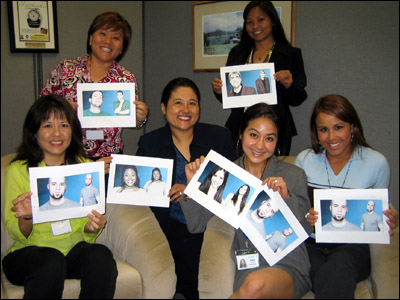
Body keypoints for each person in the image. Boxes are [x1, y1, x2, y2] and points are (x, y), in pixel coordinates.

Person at [182, 102, 312, 298]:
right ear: (241, 134)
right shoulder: (225, 174)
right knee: (252, 284)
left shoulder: (293, 175)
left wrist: (286, 199)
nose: (260, 145)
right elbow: (196, 225)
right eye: (253, 135)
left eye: (269, 138)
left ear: (277, 142)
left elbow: (306, 230)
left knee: (254, 286)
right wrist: (192, 188)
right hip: (248, 265)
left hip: (287, 265)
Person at [2, 95, 117, 298]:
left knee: (102, 256)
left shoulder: (84, 167)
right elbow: (17, 233)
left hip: (72, 252)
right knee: (51, 260)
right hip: (29, 254)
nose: (57, 133)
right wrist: (27, 216)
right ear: (34, 132)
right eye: (47, 126)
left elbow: (87, 230)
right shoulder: (18, 170)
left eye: (64, 125)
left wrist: (91, 228)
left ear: (72, 130)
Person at [136, 77, 237, 299]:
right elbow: (138, 190)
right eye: (178, 103)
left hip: (209, 222)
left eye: (192, 103)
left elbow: (233, 187)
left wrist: (192, 191)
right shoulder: (150, 144)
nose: (186, 109)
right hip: (167, 225)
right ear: (164, 108)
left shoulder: (219, 138)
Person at [295, 94, 399, 298]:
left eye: (339, 127)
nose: (332, 137)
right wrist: (306, 217)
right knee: (325, 273)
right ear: (316, 132)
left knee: (339, 266)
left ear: (352, 127)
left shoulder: (376, 163)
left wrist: (391, 219)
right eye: (323, 129)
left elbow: (381, 209)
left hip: (354, 246)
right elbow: (296, 210)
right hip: (312, 244)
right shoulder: (305, 160)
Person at [40, 11, 148, 162]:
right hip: (67, 157)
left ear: (121, 48)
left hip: (109, 159)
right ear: (91, 39)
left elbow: (130, 121)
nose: (108, 41)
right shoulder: (66, 69)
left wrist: (139, 119)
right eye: (102, 34)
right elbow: (41, 109)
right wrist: (61, 109)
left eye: (116, 37)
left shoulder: (126, 78)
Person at [211, 1, 307, 156]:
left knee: (269, 177)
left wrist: (290, 84)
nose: (255, 26)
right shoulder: (237, 53)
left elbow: (298, 99)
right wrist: (220, 90)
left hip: (275, 129)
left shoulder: (290, 54)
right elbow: (231, 99)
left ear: (272, 20)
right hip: (240, 128)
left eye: (261, 19)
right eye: (249, 22)